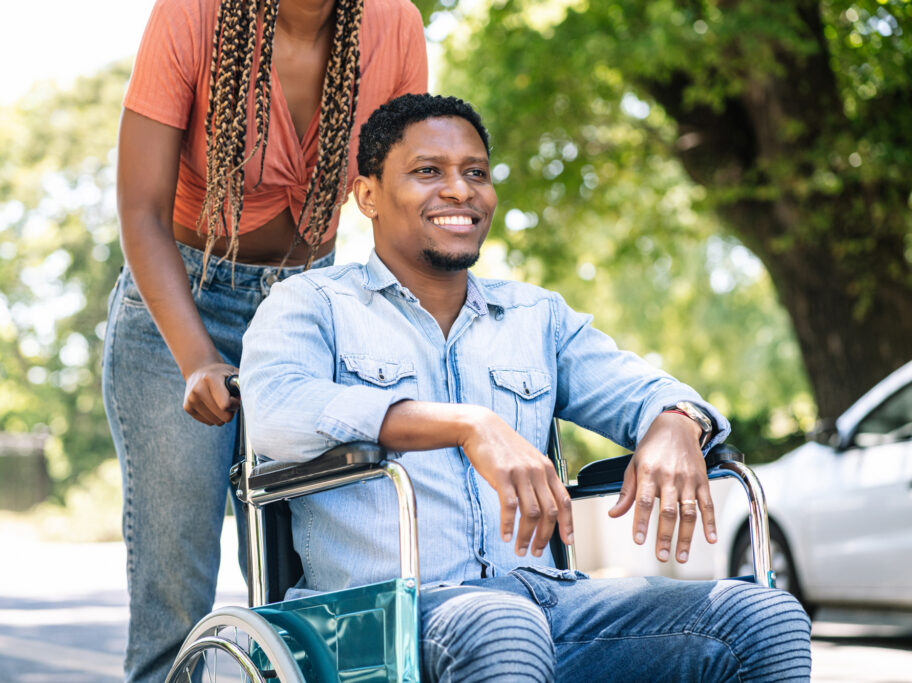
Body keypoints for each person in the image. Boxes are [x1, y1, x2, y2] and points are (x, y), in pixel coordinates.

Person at [240, 94, 812, 681]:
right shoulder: (311, 304)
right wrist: (467, 424)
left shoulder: (537, 317)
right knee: (499, 626)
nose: (461, 190)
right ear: (367, 196)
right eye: (428, 171)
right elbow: (276, 413)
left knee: (762, 616)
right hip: (376, 615)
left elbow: (645, 389)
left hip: (545, 604)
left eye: (477, 173)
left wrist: (676, 420)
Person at [101, 0, 427, 680]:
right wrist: (197, 358)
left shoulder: (394, 24)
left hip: (308, 309)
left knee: (313, 586)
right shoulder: (192, 14)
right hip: (181, 306)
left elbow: (402, 199)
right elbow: (140, 208)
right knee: (175, 596)